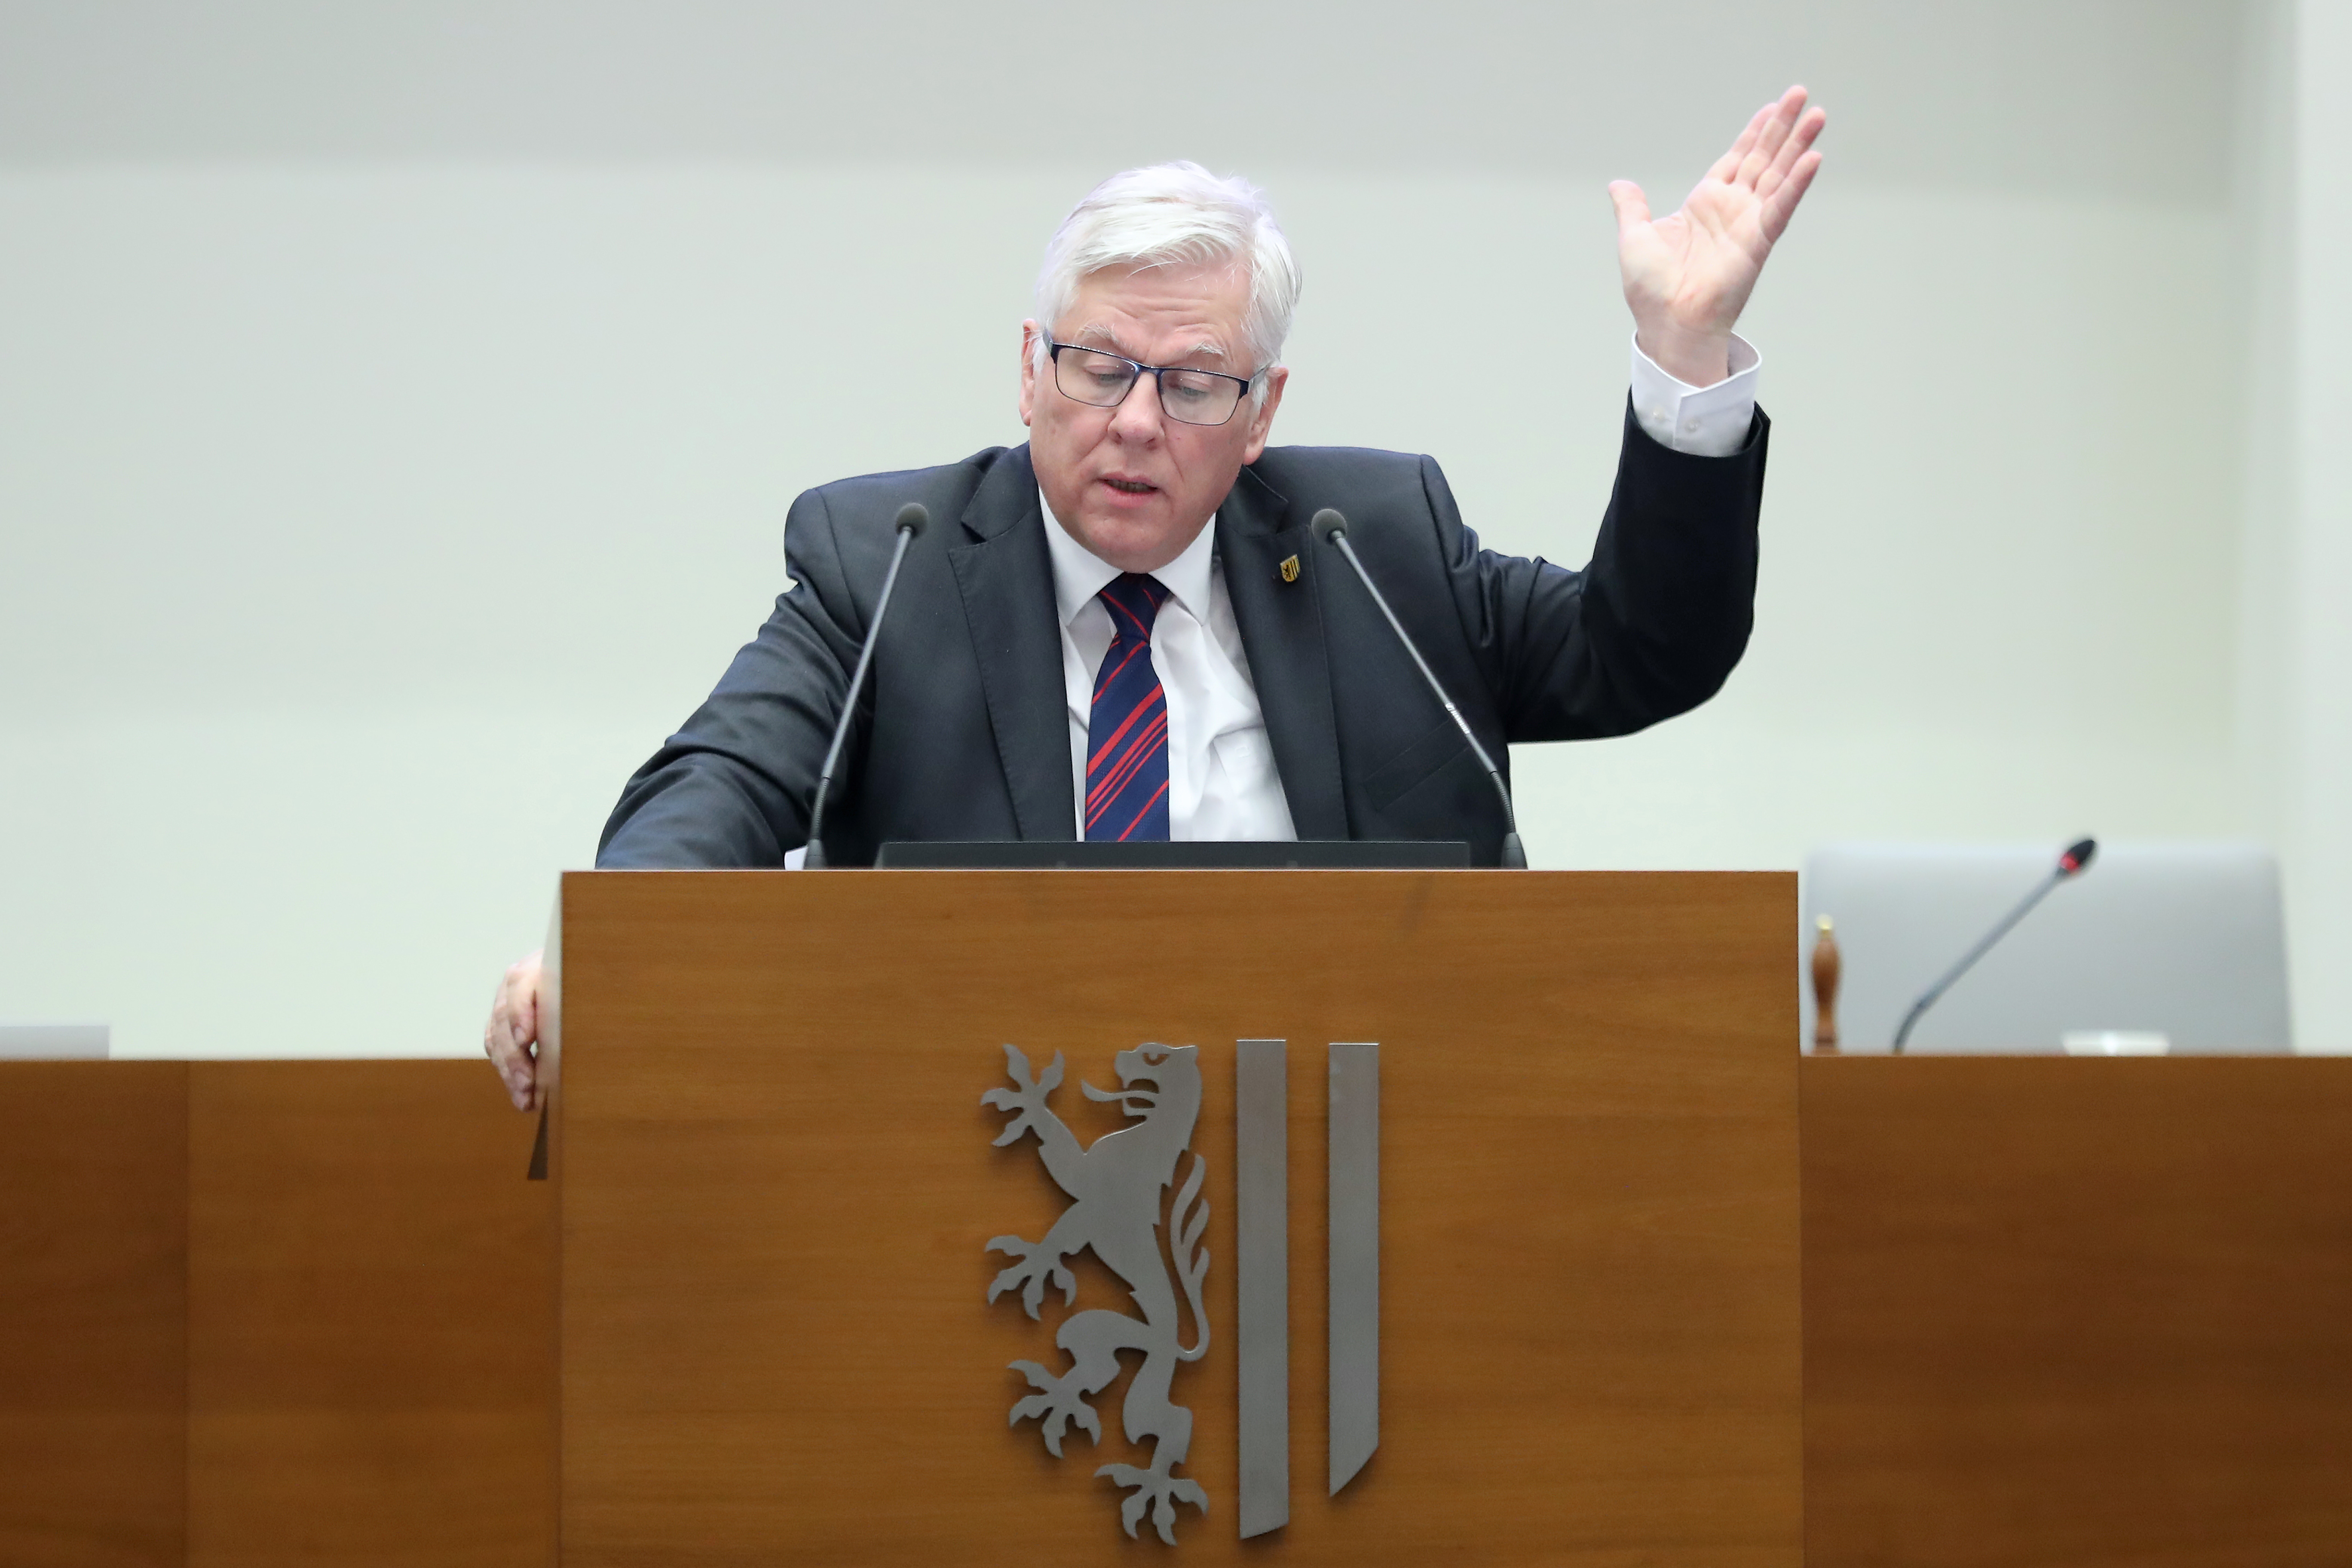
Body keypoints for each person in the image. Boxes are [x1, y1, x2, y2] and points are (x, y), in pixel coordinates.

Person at [484, 88, 1827, 1111]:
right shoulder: (888, 559)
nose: (1135, 422)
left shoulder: (1379, 549)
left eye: (1192, 384)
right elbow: (717, 782)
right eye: (1096, 368)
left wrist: (1683, 353)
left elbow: (1644, 650)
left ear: (1262, 415)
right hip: (982, 1159)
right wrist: (622, 953)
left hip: (1379, 1150)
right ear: (1028, 373)